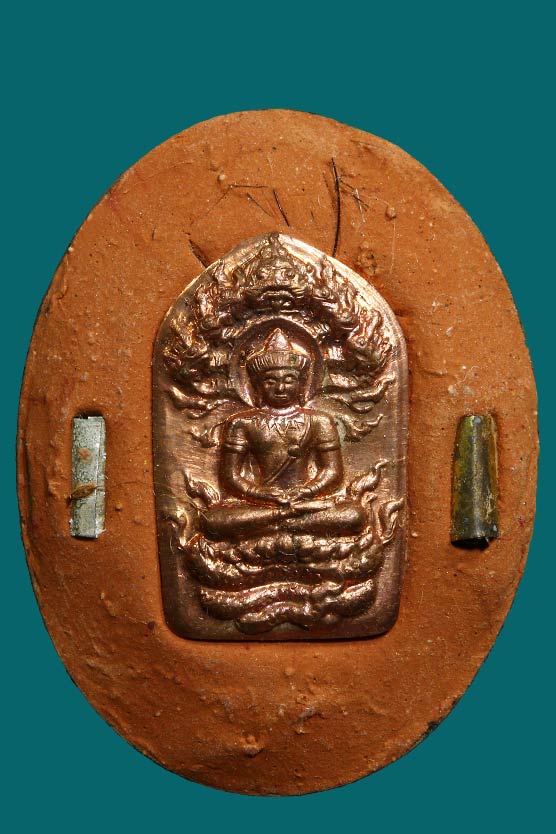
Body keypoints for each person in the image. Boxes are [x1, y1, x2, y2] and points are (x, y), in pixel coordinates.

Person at [203, 329, 365, 540]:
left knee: (354, 515)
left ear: (302, 383)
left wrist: (307, 491)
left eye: (289, 380)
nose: (280, 388)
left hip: (305, 501)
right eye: (270, 381)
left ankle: (275, 522)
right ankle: (288, 520)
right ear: (257, 386)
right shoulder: (241, 423)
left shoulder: (319, 421)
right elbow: (230, 476)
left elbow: (332, 472)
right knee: (212, 521)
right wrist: (259, 494)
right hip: (260, 504)